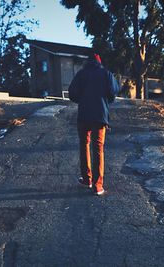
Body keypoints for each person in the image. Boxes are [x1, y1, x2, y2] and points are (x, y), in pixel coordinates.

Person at [68, 53, 120, 196]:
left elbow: (72, 93)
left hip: (83, 115)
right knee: (98, 149)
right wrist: (105, 99)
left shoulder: (81, 74)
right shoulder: (106, 74)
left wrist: (83, 100)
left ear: (88, 62)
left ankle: (87, 179)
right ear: (99, 62)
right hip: (100, 116)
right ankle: (97, 186)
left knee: (84, 146)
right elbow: (114, 90)